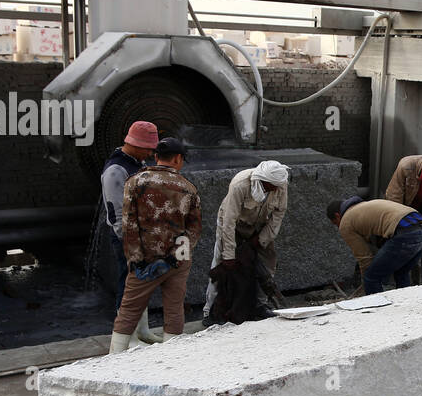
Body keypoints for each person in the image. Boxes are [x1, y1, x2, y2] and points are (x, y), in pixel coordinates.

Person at [110, 137, 201, 352]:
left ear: (156, 156)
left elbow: (129, 225)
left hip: (143, 259)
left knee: (128, 310)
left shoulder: (135, 181)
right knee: (174, 310)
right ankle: (171, 360)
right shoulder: (188, 188)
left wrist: (136, 260)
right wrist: (174, 258)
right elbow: (194, 232)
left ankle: (114, 357)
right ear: (178, 159)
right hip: (176, 262)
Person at [205, 161, 290, 320]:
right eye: (274, 186)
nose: (278, 189)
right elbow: (229, 221)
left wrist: (261, 239)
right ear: (265, 182)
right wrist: (229, 255)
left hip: (260, 227)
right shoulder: (240, 185)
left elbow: (278, 215)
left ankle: (260, 306)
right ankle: (210, 311)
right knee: (220, 266)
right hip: (233, 225)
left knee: (267, 264)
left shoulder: (281, 183)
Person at [101, 120, 158, 342]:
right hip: (126, 237)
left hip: (143, 234)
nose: (151, 152)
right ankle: (126, 336)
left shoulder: (136, 162)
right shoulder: (116, 170)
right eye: (148, 148)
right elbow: (115, 211)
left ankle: (142, 330)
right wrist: (129, 241)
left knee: (142, 282)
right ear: (135, 144)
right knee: (128, 284)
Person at [327, 197, 422, 295]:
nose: (338, 226)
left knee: (371, 277)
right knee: (401, 273)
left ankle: (377, 311)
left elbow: (364, 258)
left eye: (336, 223)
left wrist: (366, 282)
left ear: (337, 215)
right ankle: (406, 307)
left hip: (407, 233)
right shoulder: (362, 206)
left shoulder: (346, 222)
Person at [385, 154, 422, 283]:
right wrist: (399, 222)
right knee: (408, 243)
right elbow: (394, 196)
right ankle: (405, 279)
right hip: (403, 207)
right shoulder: (406, 167)